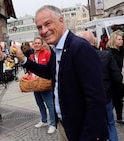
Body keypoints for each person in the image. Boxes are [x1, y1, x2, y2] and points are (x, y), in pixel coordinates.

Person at [11, 5, 108, 141]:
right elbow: (50, 72)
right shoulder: (57, 49)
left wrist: (88, 136)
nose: (44, 31)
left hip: (83, 130)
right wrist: (24, 60)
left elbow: (96, 99)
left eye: (48, 24)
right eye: (39, 27)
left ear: (61, 21)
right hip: (66, 126)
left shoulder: (79, 48)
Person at [80, 31, 121, 141]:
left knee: (95, 128)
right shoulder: (106, 55)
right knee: (110, 124)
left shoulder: (78, 59)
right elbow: (117, 77)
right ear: (94, 41)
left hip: (88, 100)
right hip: (106, 96)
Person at [29, 37, 56, 134]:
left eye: (38, 43)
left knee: (50, 105)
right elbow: (30, 69)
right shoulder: (31, 57)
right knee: (39, 104)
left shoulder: (47, 54)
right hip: (35, 84)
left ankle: (53, 123)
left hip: (45, 84)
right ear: (33, 44)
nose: (36, 45)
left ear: (41, 44)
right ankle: (44, 120)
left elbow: (51, 68)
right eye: (35, 43)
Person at [106, 30, 124, 126]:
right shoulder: (110, 52)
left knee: (119, 100)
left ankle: (119, 118)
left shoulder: (122, 50)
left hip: (122, 78)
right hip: (113, 80)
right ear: (113, 40)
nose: (121, 41)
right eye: (119, 39)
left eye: (122, 39)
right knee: (114, 101)